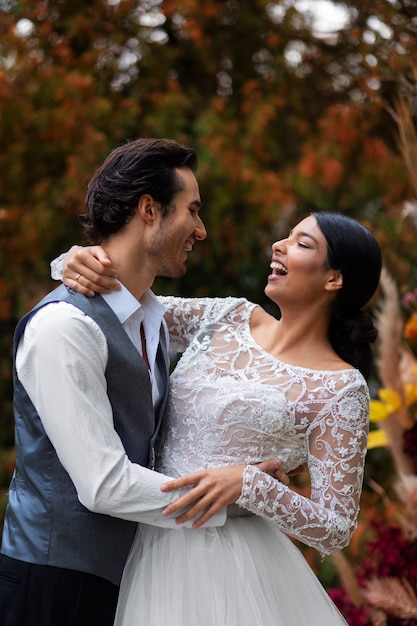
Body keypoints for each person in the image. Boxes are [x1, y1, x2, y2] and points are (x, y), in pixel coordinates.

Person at [0, 137, 283, 626]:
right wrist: (235, 497)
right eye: (192, 211)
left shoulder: (150, 317)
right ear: (149, 209)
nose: (202, 229)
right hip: (53, 584)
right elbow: (104, 485)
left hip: (127, 580)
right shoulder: (63, 328)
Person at [56, 210, 382, 625]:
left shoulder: (340, 388)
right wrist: (75, 261)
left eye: (302, 243)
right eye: (286, 235)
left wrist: (248, 484)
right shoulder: (228, 316)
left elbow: (335, 527)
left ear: (334, 278)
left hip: (235, 567)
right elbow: (122, 306)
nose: (278, 245)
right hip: (138, 533)